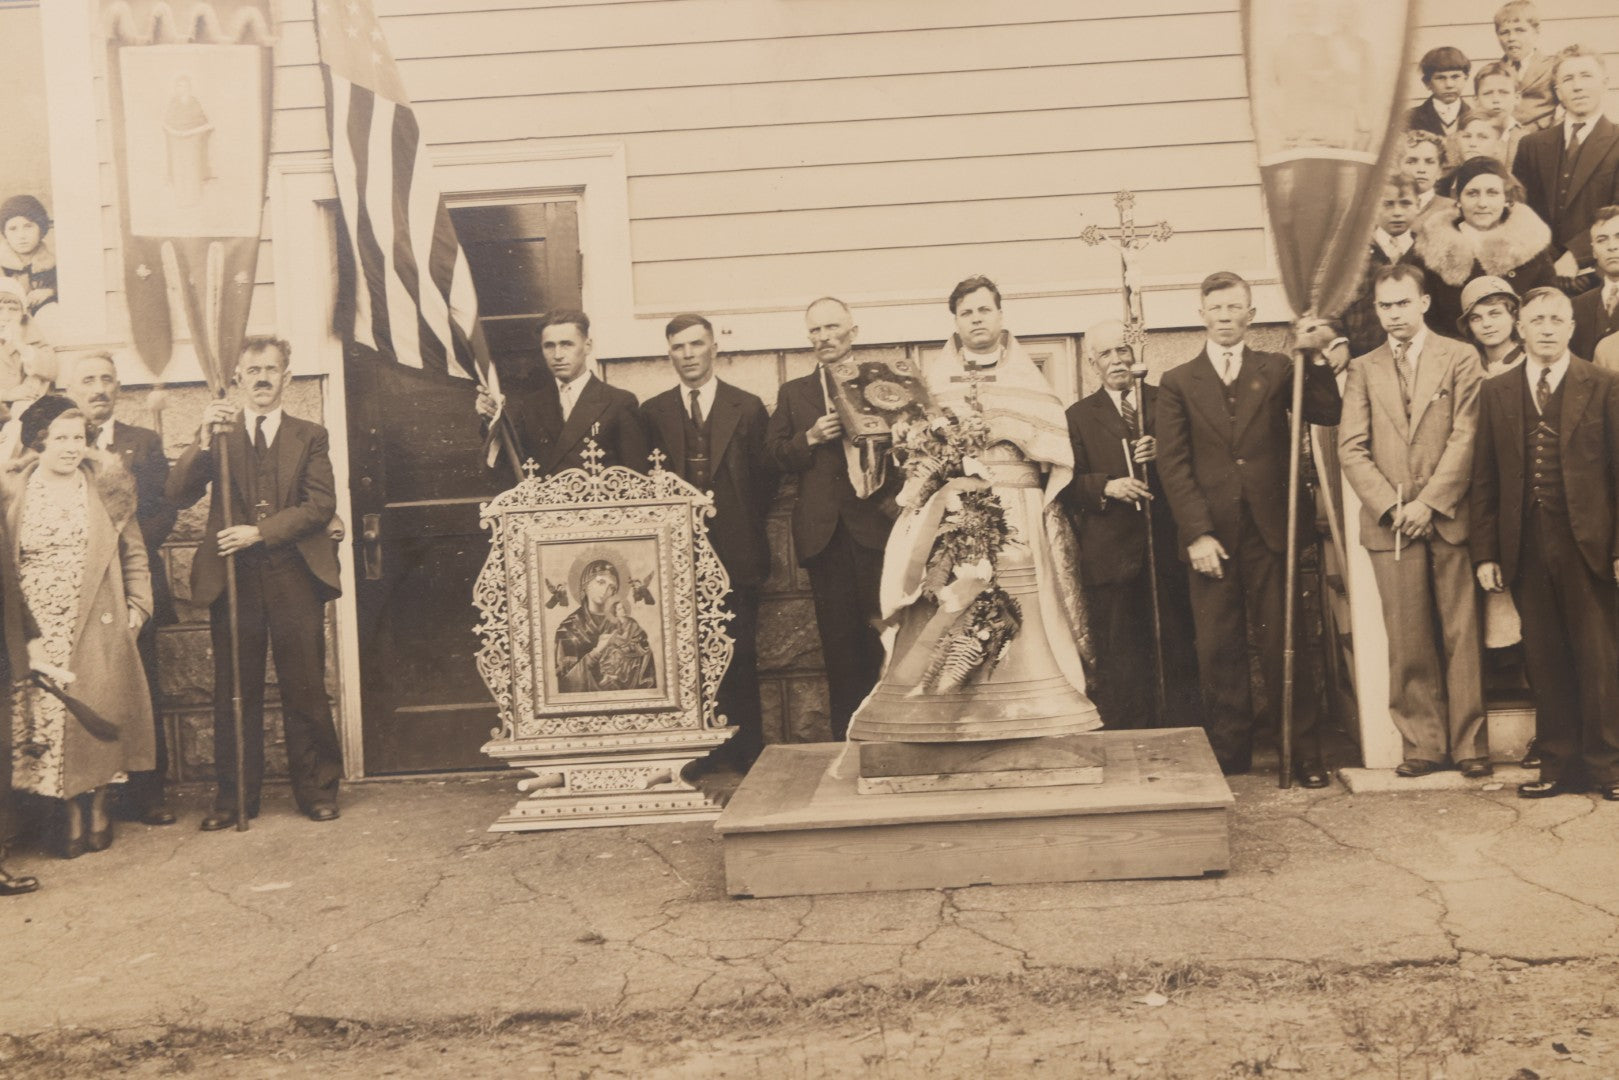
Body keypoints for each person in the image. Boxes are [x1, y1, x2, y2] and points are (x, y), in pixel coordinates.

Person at [848, 276, 1099, 740]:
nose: (977, 319)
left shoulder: (1028, 377)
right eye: (967, 313)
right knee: (951, 596)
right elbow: (917, 450)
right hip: (955, 508)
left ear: (1001, 316)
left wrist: (1011, 430)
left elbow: (1056, 449)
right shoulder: (936, 381)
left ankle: (1040, 705)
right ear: (956, 322)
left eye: (984, 310)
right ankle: (950, 709)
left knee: (1028, 598)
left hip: (1018, 507)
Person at [1155, 271, 1342, 784]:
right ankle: (1231, 752)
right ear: (1202, 314)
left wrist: (1315, 356)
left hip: (1271, 533)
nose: (1224, 317)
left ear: (1250, 315)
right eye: (1215, 308)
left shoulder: (1278, 367)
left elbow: (1327, 411)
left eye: (1234, 308)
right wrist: (1197, 533)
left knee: (1287, 642)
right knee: (1219, 648)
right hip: (1211, 538)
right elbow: (1173, 465)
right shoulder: (1177, 382)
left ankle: (1301, 752)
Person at [167, 336, 342, 829]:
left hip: (294, 575)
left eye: (272, 369)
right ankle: (235, 798)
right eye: (252, 370)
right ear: (238, 378)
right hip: (234, 578)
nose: (262, 378)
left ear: (287, 377)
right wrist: (202, 437)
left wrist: (259, 533)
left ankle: (317, 791)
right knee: (234, 689)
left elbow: (319, 506)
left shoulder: (310, 435)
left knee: (304, 685)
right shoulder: (219, 437)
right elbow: (177, 493)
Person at [1338, 264, 1488, 778]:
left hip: (1447, 516)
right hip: (1392, 524)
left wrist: (1431, 502)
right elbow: (1352, 448)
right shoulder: (1363, 367)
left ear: (1424, 303)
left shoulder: (1460, 357)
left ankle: (1470, 743)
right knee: (1407, 637)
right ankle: (1423, 744)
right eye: (1385, 305)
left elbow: (1468, 434)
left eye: (1403, 303)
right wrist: (1393, 506)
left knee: (1460, 632)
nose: (1394, 314)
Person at [1471, 287, 1619, 800]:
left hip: (1590, 543)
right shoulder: (1496, 391)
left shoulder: (1603, 385)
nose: (1548, 328)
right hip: (1526, 545)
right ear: (1521, 328)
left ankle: (1608, 768)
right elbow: (1485, 477)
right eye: (1537, 320)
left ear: (1572, 327)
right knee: (1546, 656)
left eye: (1557, 319)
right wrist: (1487, 551)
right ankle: (1558, 766)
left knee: (1599, 656)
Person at [4, 395, 153, 857]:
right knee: (52, 719)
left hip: (96, 613)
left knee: (99, 711)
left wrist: (138, 605)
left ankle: (100, 809)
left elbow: (134, 551)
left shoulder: (107, 486)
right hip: (36, 623)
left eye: (78, 437)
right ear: (38, 441)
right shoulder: (13, 491)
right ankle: (69, 811)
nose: (71, 447)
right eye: (60, 438)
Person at [641, 313, 777, 768]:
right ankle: (696, 753)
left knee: (740, 648)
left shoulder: (748, 406)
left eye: (696, 345)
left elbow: (766, 482)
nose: (688, 355)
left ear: (714, 347)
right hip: (677, 555)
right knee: (684, 651)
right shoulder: (653, 412)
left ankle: (745, 753)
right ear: (669, 355)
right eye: (678, 348)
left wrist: (737, 522)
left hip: (737, 548)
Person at [765, 297, 899, 740]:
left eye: (832, 328)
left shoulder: (882, 383)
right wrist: (810, 437)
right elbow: (773, 456)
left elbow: (912, 447)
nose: (824, 337)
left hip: (876, 530)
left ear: (853, 332)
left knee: (888, 638)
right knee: (839, 648)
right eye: (815, 331)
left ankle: (892, 734)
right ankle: (848, 741)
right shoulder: (794, 393)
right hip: (825, 536)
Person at [1063, 318, 1200, 730]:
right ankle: (1129, 738)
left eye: (1123, 350)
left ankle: (1184, 734)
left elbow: (1199, 462)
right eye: (1106, 353)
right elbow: (1065, 482)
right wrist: (1107, 487)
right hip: (1112, 556)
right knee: (1121, 653)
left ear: (1137, 353)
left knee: (1177, 645)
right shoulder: (1078, 416)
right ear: (1092, 363)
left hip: (1167, 549)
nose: (1117, 360)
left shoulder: (1168, 401)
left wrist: (1163, 452)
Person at [62, 351, 177, 825]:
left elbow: (161, 512)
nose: (99, 389)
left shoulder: (143, 443)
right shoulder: (56, 442)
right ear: (71, 389)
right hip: (73, 595)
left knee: (139, 688)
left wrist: (113, 561)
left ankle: (147, 796)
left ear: (119, 387)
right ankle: (81, 796)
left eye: (107, 379)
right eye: (88, 380)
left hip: (129, 587)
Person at [475, 311, 647, 478]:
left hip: (599, 506)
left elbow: (636, 476)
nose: (557, 355)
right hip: (546, 506)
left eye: (567, 344)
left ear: (588, 346)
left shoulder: (618, 402)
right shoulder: (531, 405)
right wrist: (493, 420)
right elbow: (506, 469)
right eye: (549, 346)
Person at [1512, 47, 1619, 286]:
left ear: (1605, 83)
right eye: (1568, 79)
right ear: (1558, 91)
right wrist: (1548, 261)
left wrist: (1575, 256)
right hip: (1540, 271)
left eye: (1586, 76)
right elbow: (1520, 210)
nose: (1577, 86)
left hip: (1603, 274)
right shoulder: (1532, 145)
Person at [1417, 156, 1556, 337]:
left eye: (1492, 193)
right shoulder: (1432, 247)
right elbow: (1424, 318)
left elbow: (1547, 309)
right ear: (1458, 199)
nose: (1482, 203)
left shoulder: (1530, 245)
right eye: (1472, 193)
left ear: (1506, 198)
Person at [1342, 176, 1424, 357]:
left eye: (1405, 204)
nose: (1397, 212)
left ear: (1418, 205)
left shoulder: (1425, 252)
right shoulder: (1353, 253)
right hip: (1362, 355)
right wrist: (1338, 342)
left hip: (1417, 357)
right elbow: (1332, 307)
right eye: (1387, 204)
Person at [554, 559, 656, 693]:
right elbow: (565, 683)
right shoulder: (567, 629)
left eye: (612, 587)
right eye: (601, 582)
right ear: (585, 585)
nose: (607, 590)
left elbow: (646, 674)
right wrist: (596, 653)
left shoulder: (627, 625)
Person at [1492, 1, 1558, 132]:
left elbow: (1563, 109)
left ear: (1536, 31)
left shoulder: (1552, 67)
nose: (1511, 38)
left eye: (1519, 30)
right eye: (1504, 32)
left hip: (1543, 138)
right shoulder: (1493, 73)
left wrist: (1538, 127)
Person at [0, 278, 55, 414]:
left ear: (23, 314)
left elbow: (51, 368)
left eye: (13, 309)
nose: (6, 316)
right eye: (0, 309)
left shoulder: (29, 334)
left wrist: (20, 345)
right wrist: (7, 394)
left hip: (20, 409)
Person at [1571, 207, 1619, 361]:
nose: (1612, 246)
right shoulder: (1577, 306)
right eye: (1602, 240)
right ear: (1593, 251)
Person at [0, 195, 56, 321]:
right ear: (5, 233)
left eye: (28, 226)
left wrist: (50, 292)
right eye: (13, 229)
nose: (21, 235)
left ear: (40, 229)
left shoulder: (54, 264)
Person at [1406, 47, 1473, 140]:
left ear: (1465, 78)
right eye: (1440, 78)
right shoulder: (1411, 118)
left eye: (1455, 77)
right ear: (1427, 83)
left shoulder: (1474, 117)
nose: (1449, 85)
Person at [1472, 62, 1529, 167]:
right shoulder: (1464, 138)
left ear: (1517, 98)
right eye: (1488, 93)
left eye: (1504, 92)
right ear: (1476, 100)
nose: (1496, 100)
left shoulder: (1528, 139)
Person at [1399, 130, 1454, 232]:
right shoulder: (1385, 206)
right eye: (1412, 162)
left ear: (1440, 171)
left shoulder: (1452, 209)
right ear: (1398, 167)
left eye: (1429, 162)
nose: (1421, 169)